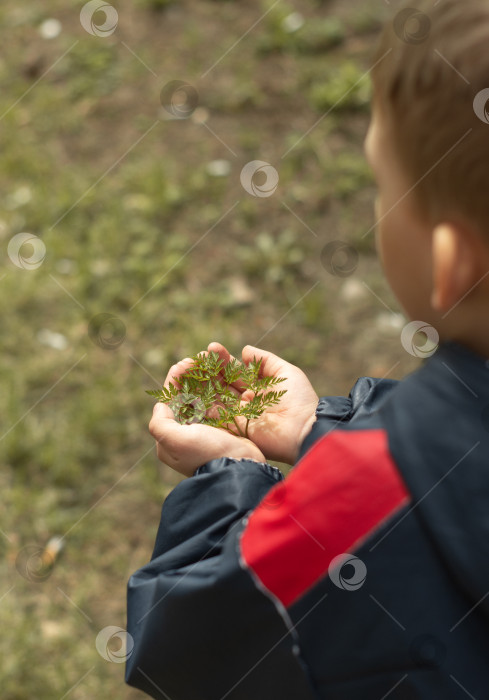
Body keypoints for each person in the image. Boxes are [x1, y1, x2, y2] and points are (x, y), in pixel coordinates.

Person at [125, 0, 489, 696]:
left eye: (381, 185)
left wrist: (229, 477)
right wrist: (325, 429)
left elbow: (185, 643)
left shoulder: (351, 508)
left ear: (452, 262)